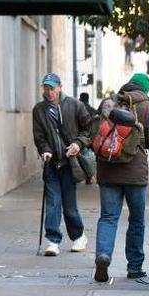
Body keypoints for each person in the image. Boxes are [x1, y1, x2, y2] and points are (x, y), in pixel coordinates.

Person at [92, 73, 149, 282]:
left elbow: (97, 131)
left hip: (107, 170)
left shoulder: (111, 102)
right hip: (135, 174)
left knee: (108, 217)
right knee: (137, 220)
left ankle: (103, 255)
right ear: (144, 89)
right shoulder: (146, 106)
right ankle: (134, 267)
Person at [32, 73, 92, 256]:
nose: (49, 92)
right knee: (52, 203)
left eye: (52, 88)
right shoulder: (39, 110)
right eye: (46, 88)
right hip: (52, 163)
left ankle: (78, 236)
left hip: (70, 163)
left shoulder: (74, 105)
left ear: (60, 87)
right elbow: (39, 136)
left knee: (69, 204)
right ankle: (53, 240)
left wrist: (78, 143)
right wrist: (45, 150)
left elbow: (89, 128)